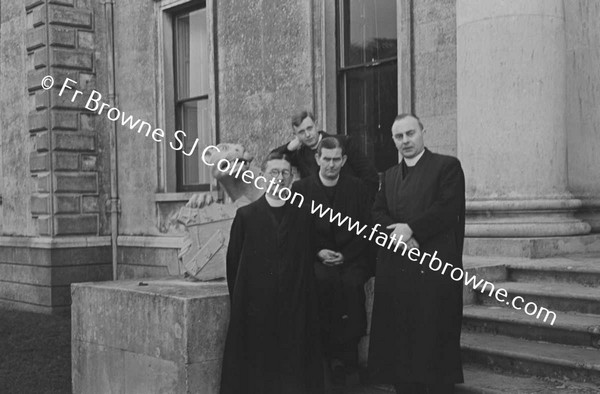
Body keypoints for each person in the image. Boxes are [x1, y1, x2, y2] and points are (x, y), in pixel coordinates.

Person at [368, 114, 465, 394]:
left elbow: (447, 208)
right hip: (398, 267)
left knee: (432, 337)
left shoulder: (447, 166)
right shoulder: (389, 176)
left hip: (433, 267)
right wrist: (398, 235)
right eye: (399, 137)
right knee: (401, 344)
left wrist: (412, 229)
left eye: (410, 134)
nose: (405, 141)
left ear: (423, 132)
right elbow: (376, 212)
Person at [220, 152, 323, 394]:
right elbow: (233, 264)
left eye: (284, 173)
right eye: (273, 172)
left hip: (294, 310)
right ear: (263, 177)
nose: (279, 178)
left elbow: (307, 259)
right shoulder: (246, 216)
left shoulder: (302, 215)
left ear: (291, 178)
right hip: (257, 311)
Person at [292, 137, 372, 388]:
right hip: (316, 258)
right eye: (326, 159)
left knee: (350, 285)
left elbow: (366, 229)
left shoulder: (357, 188)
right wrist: (318, 252)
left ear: (344, 160)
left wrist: (346, 256)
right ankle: (328, 359)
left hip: (351, 258)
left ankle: (348, 358)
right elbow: (298, 230)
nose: (331, 165)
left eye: (336, 159)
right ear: (317, 159)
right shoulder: (301, 190)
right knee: (322, 282)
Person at [271, 110, 379, 196]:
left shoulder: (343, 143)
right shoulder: (300, 154)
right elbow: (271, 159)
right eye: (301, 132)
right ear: (295, 135)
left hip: (348, 205)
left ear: (316, 125)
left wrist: (363, 203)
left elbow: (370, 174)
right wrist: (289, 147)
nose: (308, 135)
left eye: (310, 128)